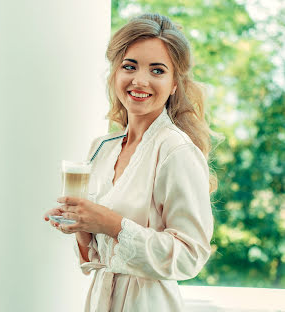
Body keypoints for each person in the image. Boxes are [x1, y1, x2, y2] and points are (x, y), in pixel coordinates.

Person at [43, 13, 217, 312]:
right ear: (114, 73)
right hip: (101, 301)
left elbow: (191, 255)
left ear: (175, 84)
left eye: (157, 70)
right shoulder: (102, 148)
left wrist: (110, 223)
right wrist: (82, 225)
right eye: (129, 66)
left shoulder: (176, 150)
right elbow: (99, 256)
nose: (140, 80)